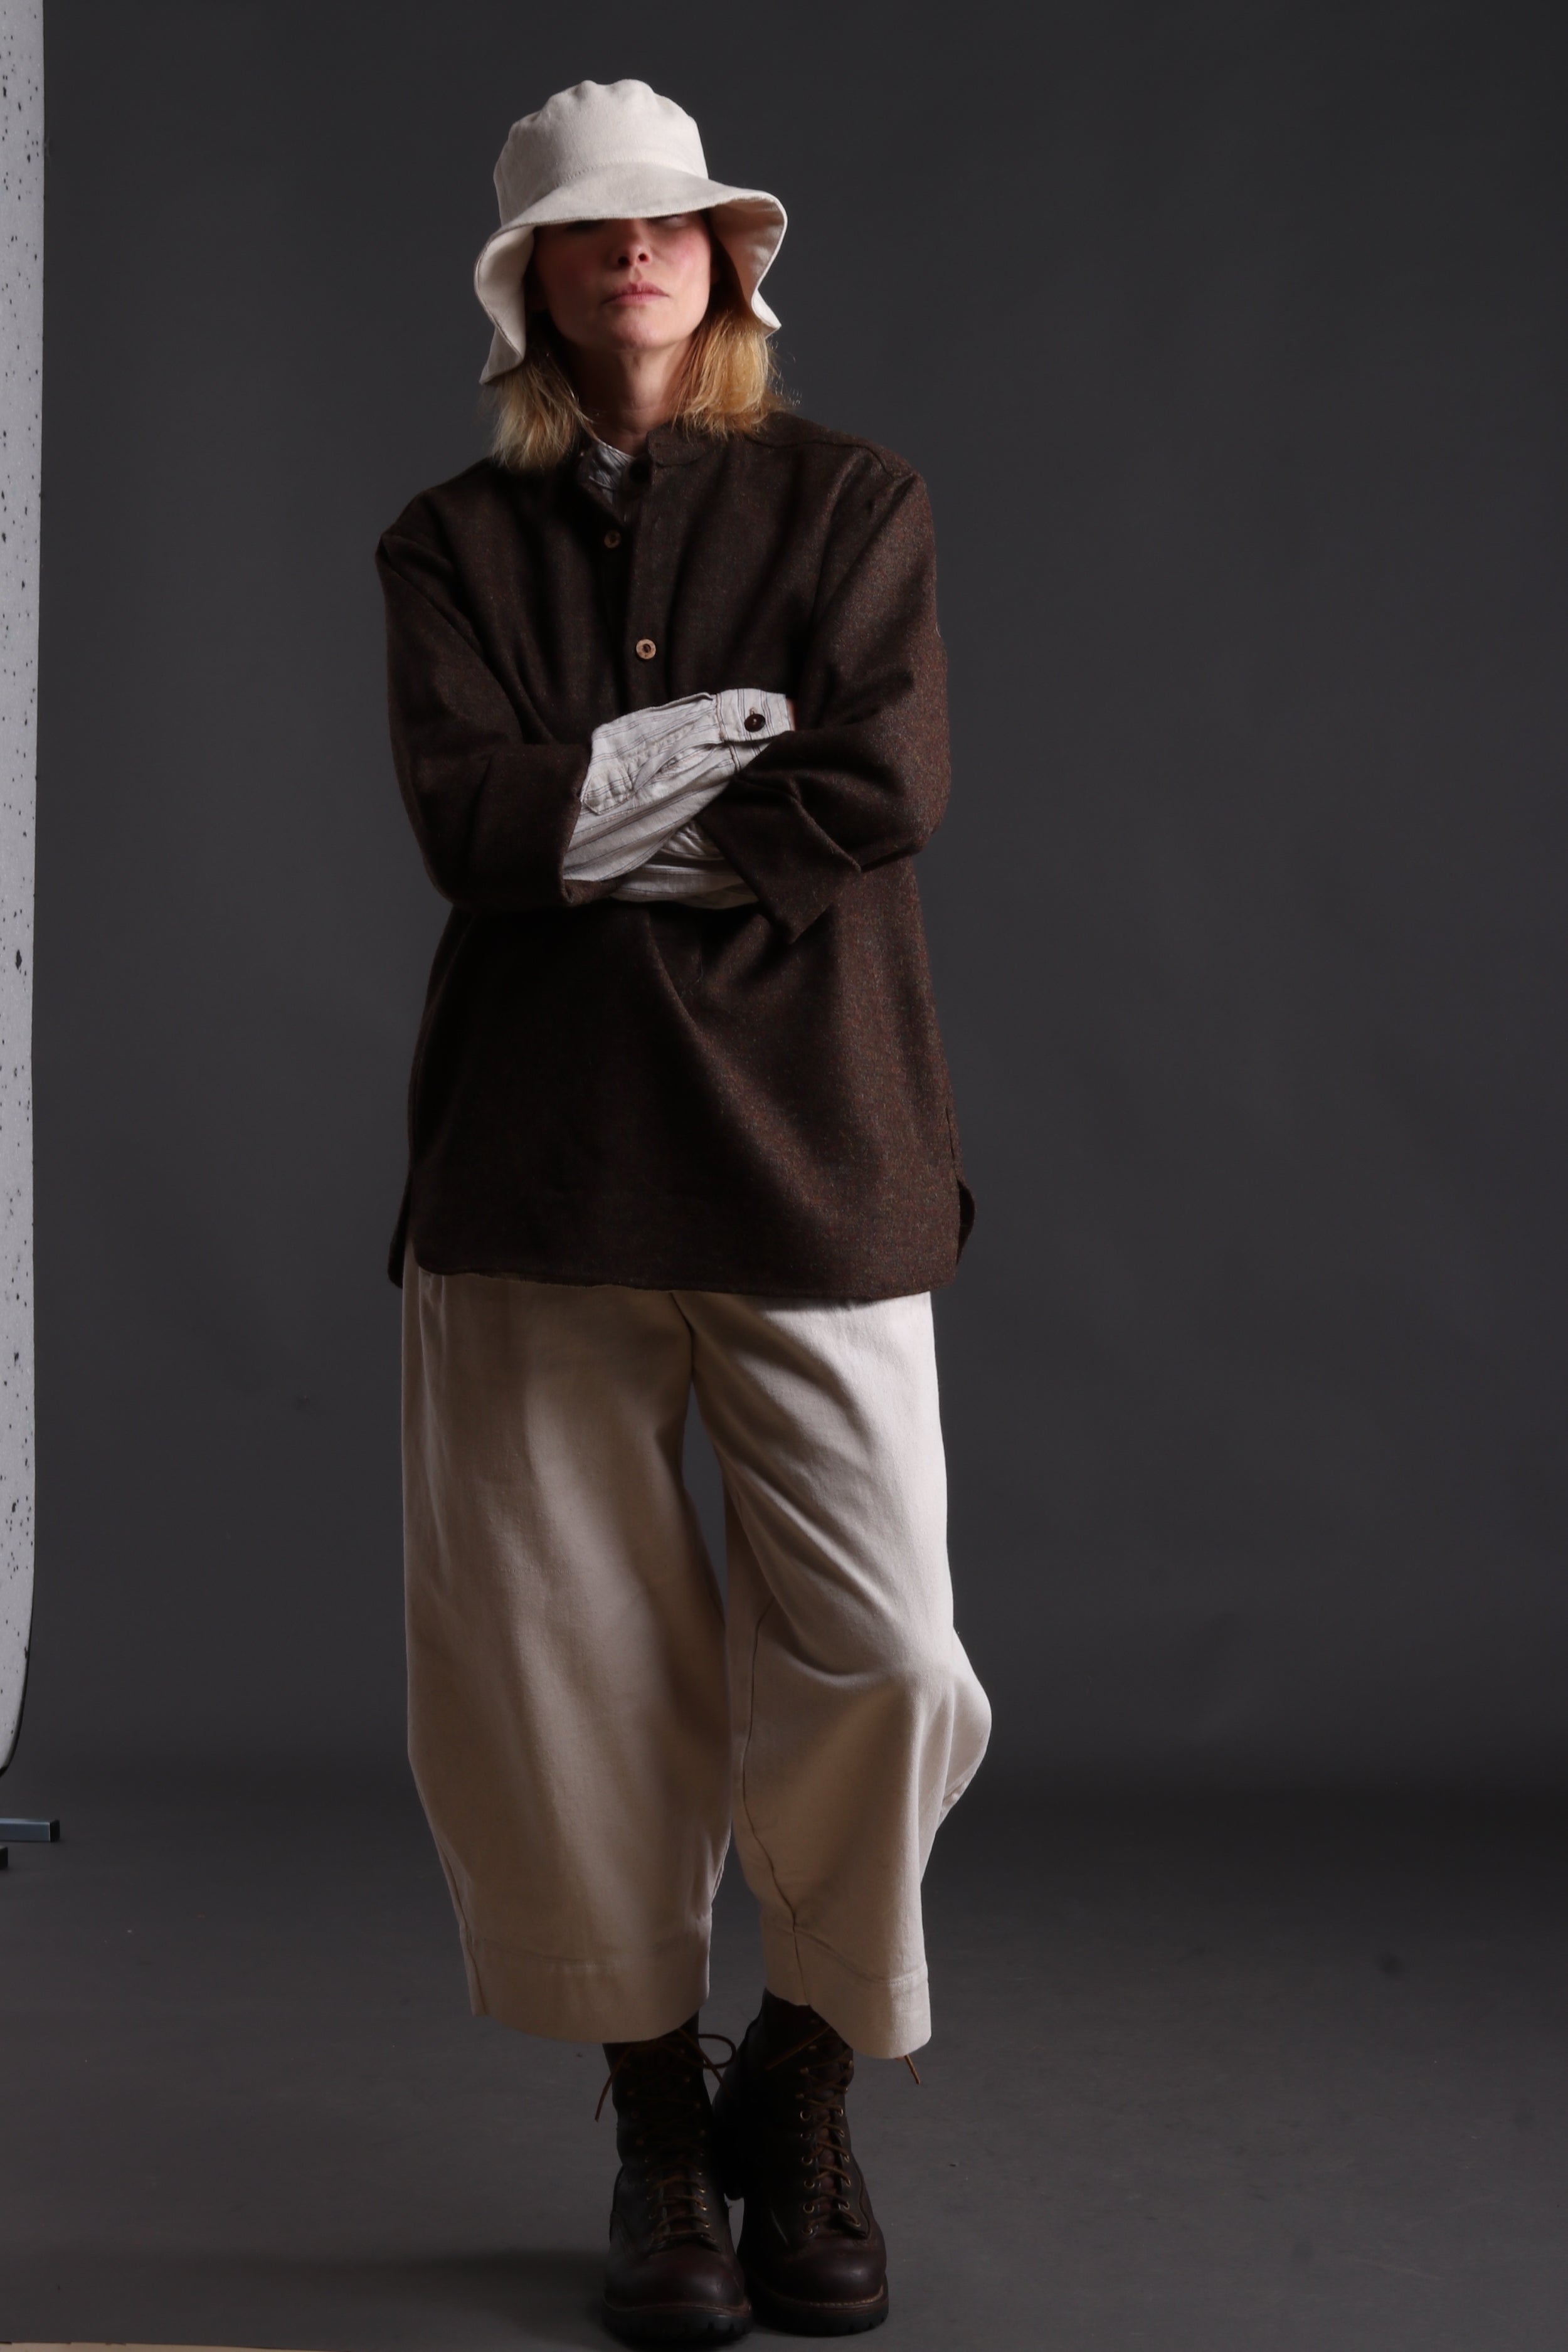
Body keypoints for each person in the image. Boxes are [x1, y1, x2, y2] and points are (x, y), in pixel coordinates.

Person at [378, 78, 990, 2345]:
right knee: (557, 1679)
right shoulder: (448, 541)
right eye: (588, 229)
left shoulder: (854, 502)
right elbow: (471, 832)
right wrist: (711, 759)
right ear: (532, 277)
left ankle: (802, 2077)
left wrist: (595, 808)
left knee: (891, 1661)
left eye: (672, 221)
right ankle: (663, 2126)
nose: (633, 251)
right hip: (528, 1168)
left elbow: (882, 781)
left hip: (819, 1154)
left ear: (730, 258)